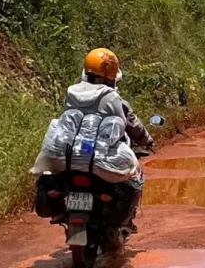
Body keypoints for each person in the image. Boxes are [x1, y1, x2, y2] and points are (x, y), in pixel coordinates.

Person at [64, 48, 153, 232]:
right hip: (101, 153)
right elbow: (125, 123)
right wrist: (147, 140)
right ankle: (125, 219)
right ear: (111, 77)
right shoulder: (113, 98)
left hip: (75, 149)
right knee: (135, 173)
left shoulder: (72, 93)